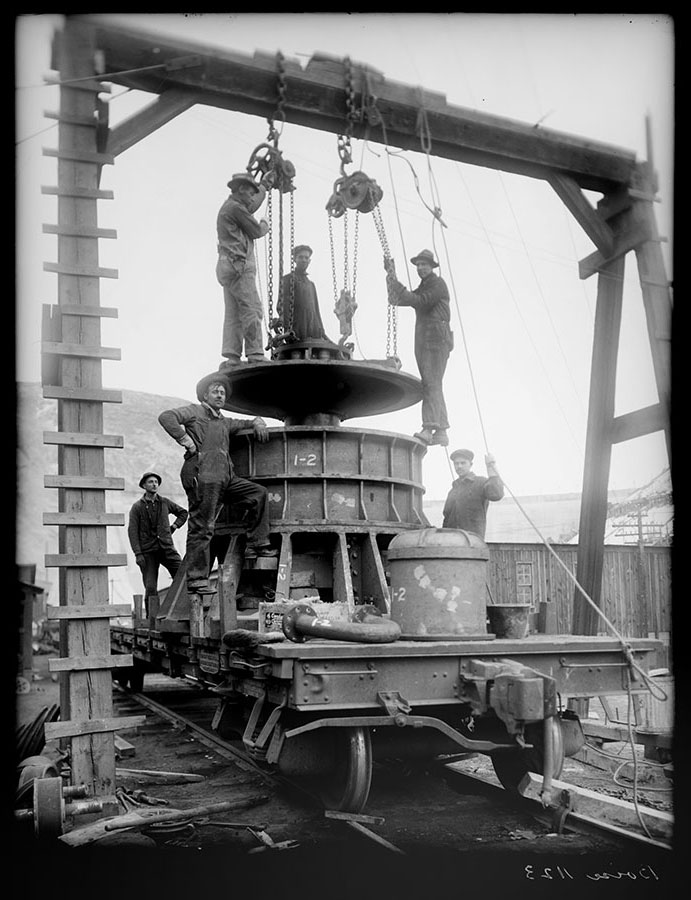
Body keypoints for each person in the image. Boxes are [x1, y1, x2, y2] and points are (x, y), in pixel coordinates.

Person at [158, 376, 277, 594]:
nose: (220, 395)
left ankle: (258, 544)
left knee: (258, 494)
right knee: (202, 527)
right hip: (202, 476)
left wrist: (258, 422)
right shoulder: (194, 412)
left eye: (222, 393)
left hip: (225, 479)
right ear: (205, 395)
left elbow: (248, 422)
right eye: (215, 392)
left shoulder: (224, 422)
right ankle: (197, 580)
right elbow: (167, 417)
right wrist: (186, 440)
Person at [384, 249, 453, 446]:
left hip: (435, 339)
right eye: (418, 265)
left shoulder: (437, 284)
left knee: (431, 382)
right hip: (426, 339)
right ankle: (441, 431)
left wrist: (396, 282)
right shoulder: (425, 286)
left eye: (424, 264)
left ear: (432, 266)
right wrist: (391, 276)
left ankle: (429, 428)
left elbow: (419, 301)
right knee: (433, 382)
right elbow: (397, 299)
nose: (420, 268)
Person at [216, 172, 270, 368]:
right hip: (239, 266)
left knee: (234, 313)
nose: (251, 197)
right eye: (250, 192)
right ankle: (255, 353)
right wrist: (264, 224)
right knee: (252, 309)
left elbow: (251, 206)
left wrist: (264, 186)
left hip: (227, 266)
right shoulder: (236, 208)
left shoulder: (230, 206)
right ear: (240, 190)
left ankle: (232, 356)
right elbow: (256, 231)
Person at [128, 472, 188, 614]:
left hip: (166, 548)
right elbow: (132, 532)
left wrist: (174, 526)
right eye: (150, 482)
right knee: (150, 587)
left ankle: (181, 612)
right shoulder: (137, 507)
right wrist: (138, 554)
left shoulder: (164, 502)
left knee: (182, 576)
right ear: (144, 485)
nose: (154, 484)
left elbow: (183, 513)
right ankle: (152, 618)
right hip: (148, 551)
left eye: (156, 482)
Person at [442, 449, 504, 540]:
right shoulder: (452, 491)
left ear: (471, 465)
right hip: (452, 542)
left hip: (473, 542)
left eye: (463, 463)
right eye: (456, 463)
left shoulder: (481, 483)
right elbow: (446, 518)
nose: (459, 466)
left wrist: (491, 469)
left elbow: (496, 494)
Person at [277, 244, 331, 341]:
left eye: (306, 258)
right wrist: (288, 329)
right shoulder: (288, 279)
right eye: (300, 257)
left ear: (309, 261)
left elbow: (316, 311)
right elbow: (282, 305)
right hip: (297, 331)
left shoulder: (311, 285)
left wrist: (322, 331)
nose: (304, 260)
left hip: (313, 331)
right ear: (295, 259)